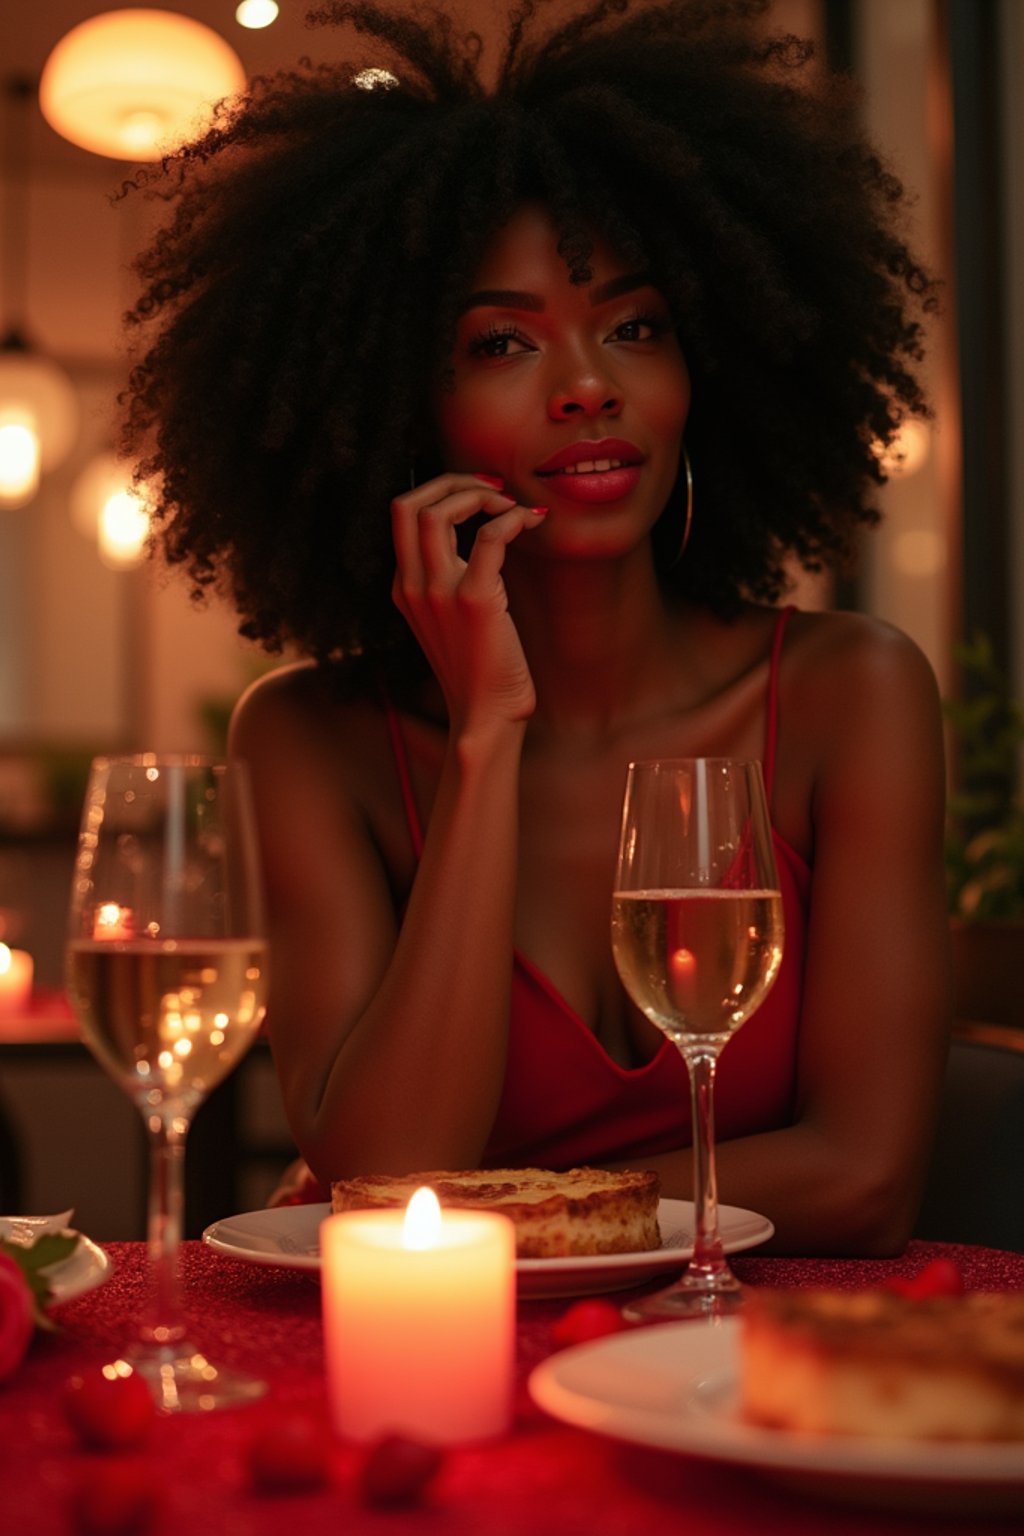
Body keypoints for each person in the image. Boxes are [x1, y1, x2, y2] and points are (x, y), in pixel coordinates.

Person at [121, 0, 951, 1254]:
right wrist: (484, 735)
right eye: (502, 341)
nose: (588, 383)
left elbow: (864, 1176)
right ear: (392, 408)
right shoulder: (306, 739)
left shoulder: (850, 693)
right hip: (445, 1380)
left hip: (754, 1371)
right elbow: (388, 1172)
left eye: (635, 326)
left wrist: (507, 1211)